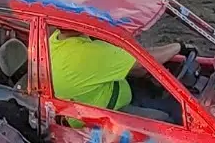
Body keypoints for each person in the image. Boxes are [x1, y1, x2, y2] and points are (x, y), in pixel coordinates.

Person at [47, 30, 184, 120]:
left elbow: (135, 67)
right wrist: (179, 47)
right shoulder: (90, 53)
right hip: (108, 116)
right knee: (166, 119)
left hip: (100, 97)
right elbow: (145, 61)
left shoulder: (55, 40)